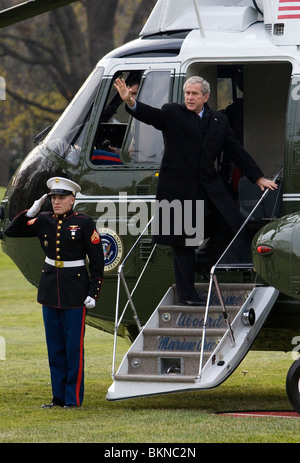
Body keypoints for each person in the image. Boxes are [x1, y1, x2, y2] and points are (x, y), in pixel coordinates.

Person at [114, 76, 277, 306]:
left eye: (195, 94)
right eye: (187, 93)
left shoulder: (219, 121)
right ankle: (187, 295)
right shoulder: (172, 113)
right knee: (183, 243)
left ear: (206, 97)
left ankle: (201, 262)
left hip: (209, 189)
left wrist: (258, 176)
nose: (190, 97)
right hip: (178, 190)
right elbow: (153, 116)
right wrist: (131, 104)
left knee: (232, 225)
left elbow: (235, 150)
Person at [5, 177, 104, 408]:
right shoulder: (44, 219)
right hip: (50, 289)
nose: (56, 202)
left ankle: (73, 399)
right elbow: (12, 230)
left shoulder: (84, 223)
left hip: (75, 291)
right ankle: (58, 398)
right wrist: (32, 211)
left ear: (72, 200)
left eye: (61, 198)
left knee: (73, 349)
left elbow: (97, 262)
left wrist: (94, 292)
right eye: (53, 198)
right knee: (55, 348)